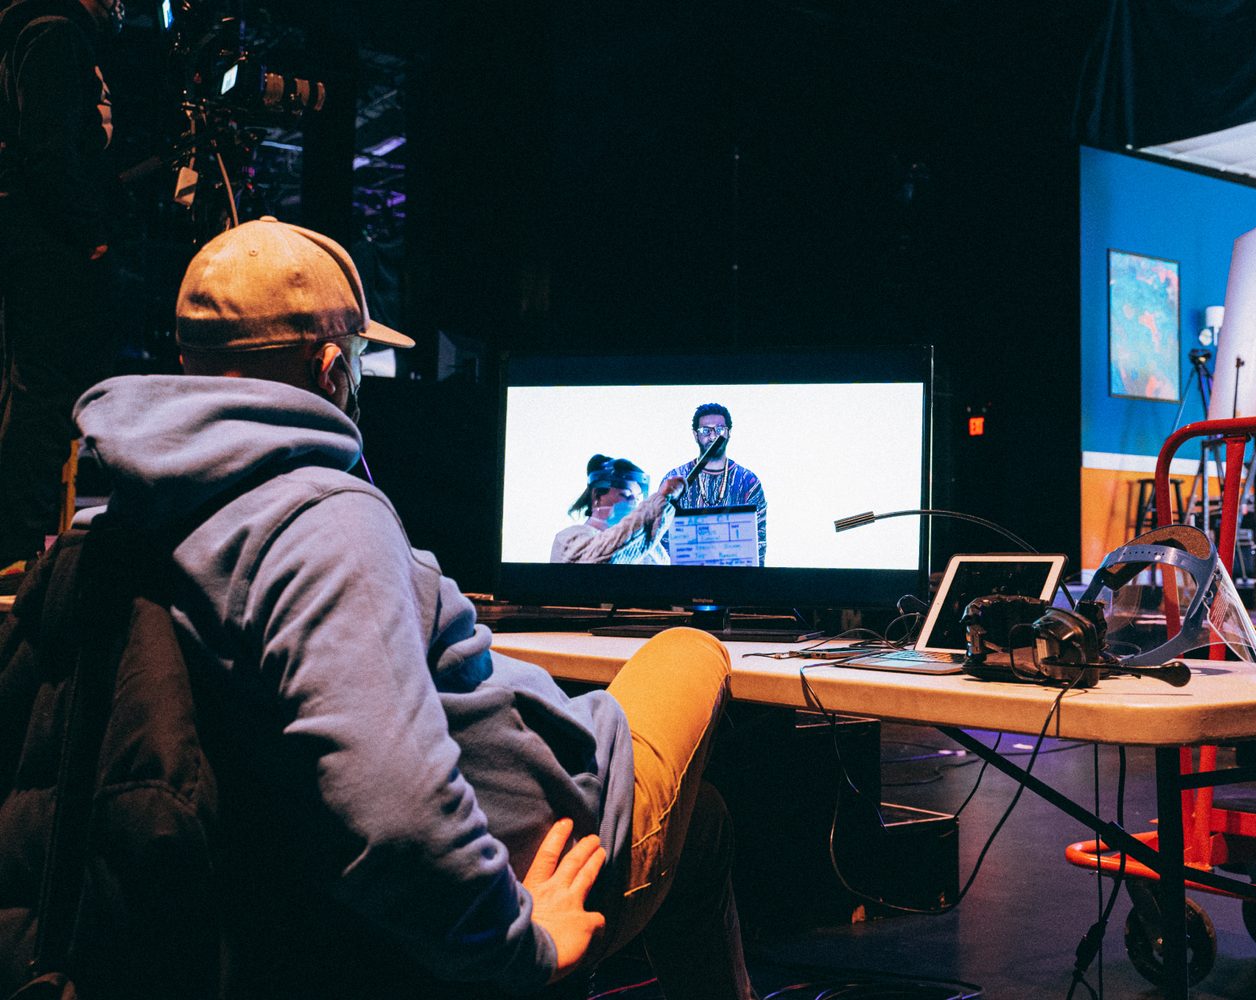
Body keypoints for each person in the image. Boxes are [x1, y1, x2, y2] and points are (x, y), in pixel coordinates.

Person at [69, 217, 758, 999]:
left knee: (704, 830)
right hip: (541, 866)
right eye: (359, 359)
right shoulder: (324, 518)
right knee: (688, 650)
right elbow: (395, 813)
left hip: (337, 897)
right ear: (331, 369)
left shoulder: (132, 508)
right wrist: (522, 947)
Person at [0, 0, 121, 576]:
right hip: (46, 238)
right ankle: (17, 549)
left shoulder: (34, 28)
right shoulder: (53, 32)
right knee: (42, 390)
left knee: (29, 387)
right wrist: (87, 226)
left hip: (34, 232)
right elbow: (47, 146)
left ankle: (17, 544)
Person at [665, 402, 768, 565]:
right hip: (685, 581)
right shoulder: (675, 479)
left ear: (729, 433)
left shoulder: (748, 481)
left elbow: (758, 542)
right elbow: (662, 538)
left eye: (719, 429)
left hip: (735, 582)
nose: (713, 436)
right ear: (695, 435)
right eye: (706, 430)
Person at [551, 454, 682, 564]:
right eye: (626, 495)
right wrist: (662, 498)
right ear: (597, 496)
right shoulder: (569, 538)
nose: (634, 503)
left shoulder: (650, 547)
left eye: (637, 498)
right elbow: (598, 560)